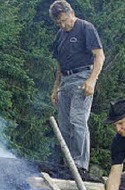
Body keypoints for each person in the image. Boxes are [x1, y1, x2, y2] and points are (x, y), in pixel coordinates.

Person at [49, 1, 105, 179]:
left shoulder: (85, 28)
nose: (64, 25)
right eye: (59, 23)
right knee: (64, 125)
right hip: (65, 81)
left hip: (83, 77)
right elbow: (59, 64)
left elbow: (99, 56)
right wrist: (55, 87)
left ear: (71, 12)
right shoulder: (60, 35)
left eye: (65, 20)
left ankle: (80, 165)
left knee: (77, 120)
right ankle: (68, 165)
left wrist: (92, 81)